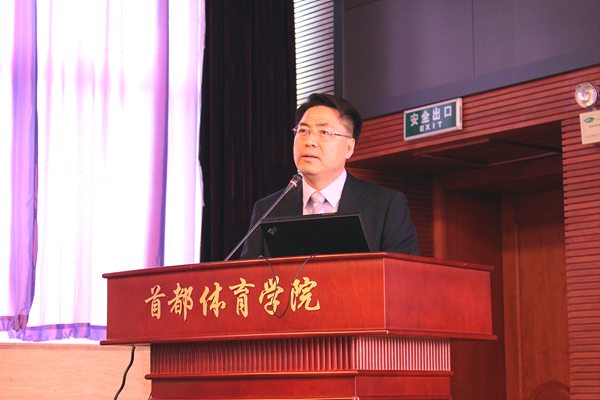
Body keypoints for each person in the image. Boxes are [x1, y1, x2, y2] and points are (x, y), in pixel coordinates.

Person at [240, 93, 420, 258]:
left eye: (324, 132)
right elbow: (246, 276)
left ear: (349, 148)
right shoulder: (268, 209)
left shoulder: (386, 205)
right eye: (303, 131)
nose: (309, 141)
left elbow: (402, 276)